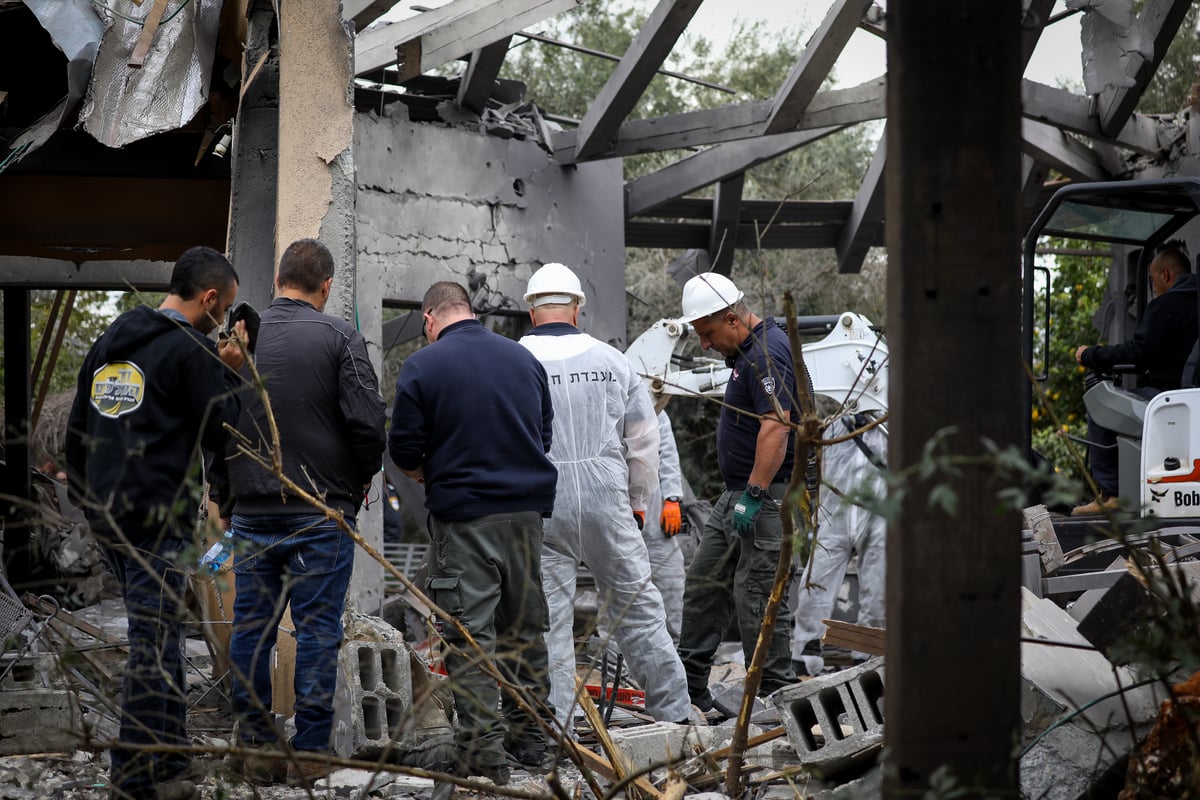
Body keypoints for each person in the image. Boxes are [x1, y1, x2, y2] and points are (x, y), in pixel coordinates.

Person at [65, 246, 247, 800]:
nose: (226, 320)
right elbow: (225, 431)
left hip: (109, 518)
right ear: (210, 298)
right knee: (153, 640)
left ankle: (169, 760)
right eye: (227, 307)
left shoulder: (109, 343)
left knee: (163, 632)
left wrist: (89, 500)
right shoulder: (191, 351)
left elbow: (76, 433)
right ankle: (134, 774)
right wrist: (230, 370)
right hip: (156, 520)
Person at [221, 239, 386, 787]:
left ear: (277, 279)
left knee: (252, 627)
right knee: (316, 631)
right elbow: (367, 424)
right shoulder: (341, 336)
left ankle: (254, 746)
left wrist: (226, 497)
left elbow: (216, 426)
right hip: (321, 510)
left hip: (252, 511)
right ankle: (312, 751)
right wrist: (357, 481)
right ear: (327, 286)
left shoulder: (241, 341)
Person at [389, 281, 558, 784]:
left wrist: (425, 472)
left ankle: (484, 754)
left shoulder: (423, 366)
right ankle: (530, 741)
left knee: (469, 634)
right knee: (524, 629)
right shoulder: (523, 360)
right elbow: (543, 434)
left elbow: (402, 449)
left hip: (465, 521)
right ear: (469, 310)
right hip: (526, 516)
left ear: (429, 319)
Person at [518, 262, 691, 726]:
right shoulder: (615, 362)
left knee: (549, 621)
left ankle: (557, 731)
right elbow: (644, 442)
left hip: (542, 505)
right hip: (607, 502)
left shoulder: (512, 359)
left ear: (531, 311)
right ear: (577, 309)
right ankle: (673, 716)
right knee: (639, 609)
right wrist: (638, 503)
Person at [675, 272, 798, 713]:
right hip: (741, 492)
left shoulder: (767, 351)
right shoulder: (747, 354)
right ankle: (689, 690)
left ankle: (773, 697)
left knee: (759, 593)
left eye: (707, 334)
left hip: (766, 495)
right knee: (704, 584)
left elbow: (777, 424)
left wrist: (756, 492)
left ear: (731, 318)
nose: (704, 345)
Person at [1072, 244, 1199, 515]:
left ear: (1165, 275)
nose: (1152, 286)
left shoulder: (1168, 305)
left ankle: (1111, 494)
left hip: (1165, 399)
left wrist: (1092, 354)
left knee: (1101, 403)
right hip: (1189, 398)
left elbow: (1139, 352)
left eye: (1152, 280)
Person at [790, 413, 887, 676]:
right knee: (815, 582)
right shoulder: (832, 425)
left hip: (878, 515)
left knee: (878, 591)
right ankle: (805, 651)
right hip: (835, 513)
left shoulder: (890, 428)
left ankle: (866, 656)